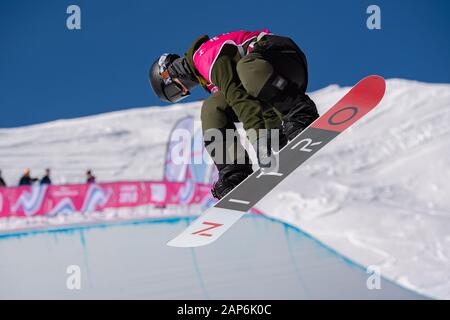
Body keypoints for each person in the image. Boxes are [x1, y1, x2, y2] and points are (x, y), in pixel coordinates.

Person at [149, 29, 319, 199]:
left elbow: (240, 99)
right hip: (271, 80)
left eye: (174, 91)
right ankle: (235, 171)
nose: (185, 91)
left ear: (168, 74)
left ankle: (300, 112)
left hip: (283, 57)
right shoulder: (208, 79)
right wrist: (273, 136)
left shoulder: (206, 57)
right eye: (178, 96)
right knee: (213, 108)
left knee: (246, 69)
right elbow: (255, 96)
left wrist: (259, 140)